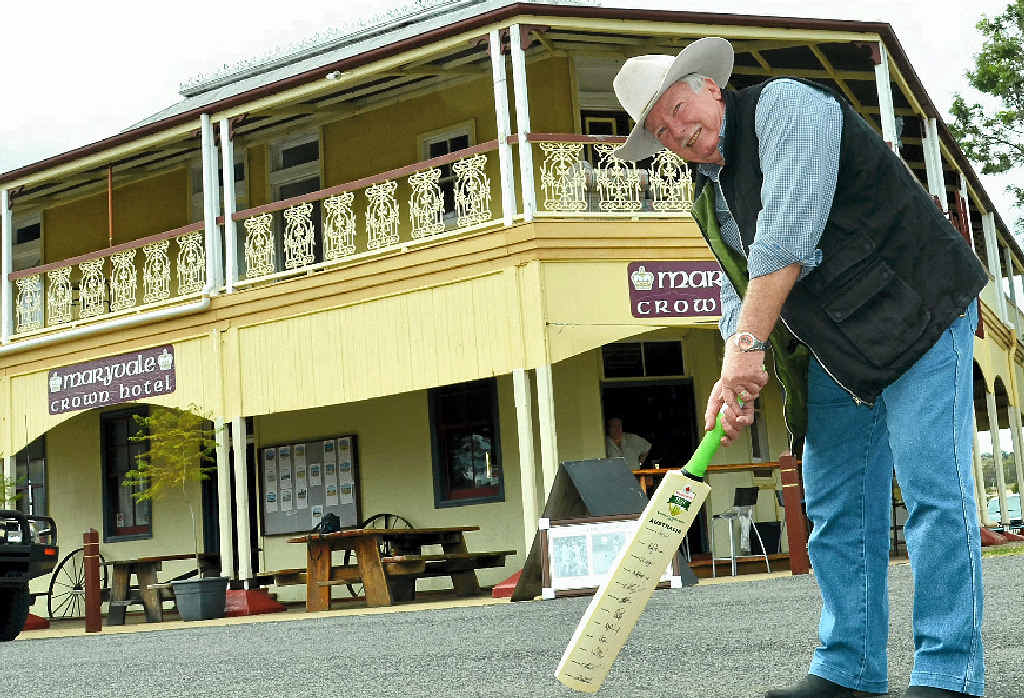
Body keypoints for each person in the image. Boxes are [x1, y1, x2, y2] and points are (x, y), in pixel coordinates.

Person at [611, 37, 986, 698]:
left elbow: (789, 230)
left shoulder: (788, 107)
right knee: (836, 507)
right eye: (660, 131)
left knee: (934, 492)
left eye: (676, 108)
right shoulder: (707, 192)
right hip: (839, 353)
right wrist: (738, 368)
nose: (677, 131)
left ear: (707, 86)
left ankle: (948, 673)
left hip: (921, 308)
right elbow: (737, 283)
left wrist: (746, 349)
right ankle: (849, 670)